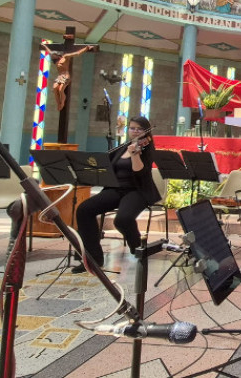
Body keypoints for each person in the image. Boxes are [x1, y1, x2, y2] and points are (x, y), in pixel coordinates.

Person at [73, 116, 160, 274]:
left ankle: (138, 250)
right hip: (115, 189)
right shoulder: (121, 148)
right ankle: (93, 258)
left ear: (145, 132)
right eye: (132, 128)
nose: (134, 131)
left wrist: (134, 154)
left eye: (139, 129)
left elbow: (140, 173)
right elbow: (107, 169)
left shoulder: (146, 149)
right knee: (84, 210)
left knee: (123, 220)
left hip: (137, 190)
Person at [42, 42, 97, 111]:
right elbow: (49, 52)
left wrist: (86, 48)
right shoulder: (56, 60)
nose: (53, 57)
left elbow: (77, 53)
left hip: (66, 76)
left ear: (58, 54)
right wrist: (45, 46)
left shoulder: (65, 57)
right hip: (60, 77)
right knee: (55, 87)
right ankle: (58, 103)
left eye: (54, 55)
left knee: (61, 89)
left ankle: (62, 103)